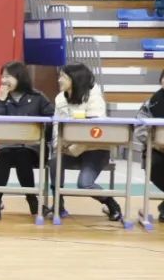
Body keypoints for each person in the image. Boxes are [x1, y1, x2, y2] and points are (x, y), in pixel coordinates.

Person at [47, 63, 122, 222]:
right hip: (69, 148)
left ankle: (111, 203)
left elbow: (93, 131)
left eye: (63, 77)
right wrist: (58, 145)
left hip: (95, 149)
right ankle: (58, 204)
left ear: (75, 79)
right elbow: (56, 124)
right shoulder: (60, 98)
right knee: (54, 161)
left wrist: (72, 147)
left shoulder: (95, 98)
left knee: (84, 184)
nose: (59, 80)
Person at [0, 61, 54, 221]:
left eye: (8, 76)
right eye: (2, 77)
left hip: (32, 147)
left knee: (22, 155)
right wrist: (0, 101)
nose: (4, 80)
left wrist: (41, 133)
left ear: (20, 77)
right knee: (5, 156)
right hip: (7, 146)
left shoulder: (37, 97)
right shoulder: (3, 99)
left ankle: (32, 200)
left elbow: (52, 120)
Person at [133, 70, 164, 223]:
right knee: (155, 164)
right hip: (156, 150)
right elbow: (139, 127)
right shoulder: (152, 102)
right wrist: (155, 143)